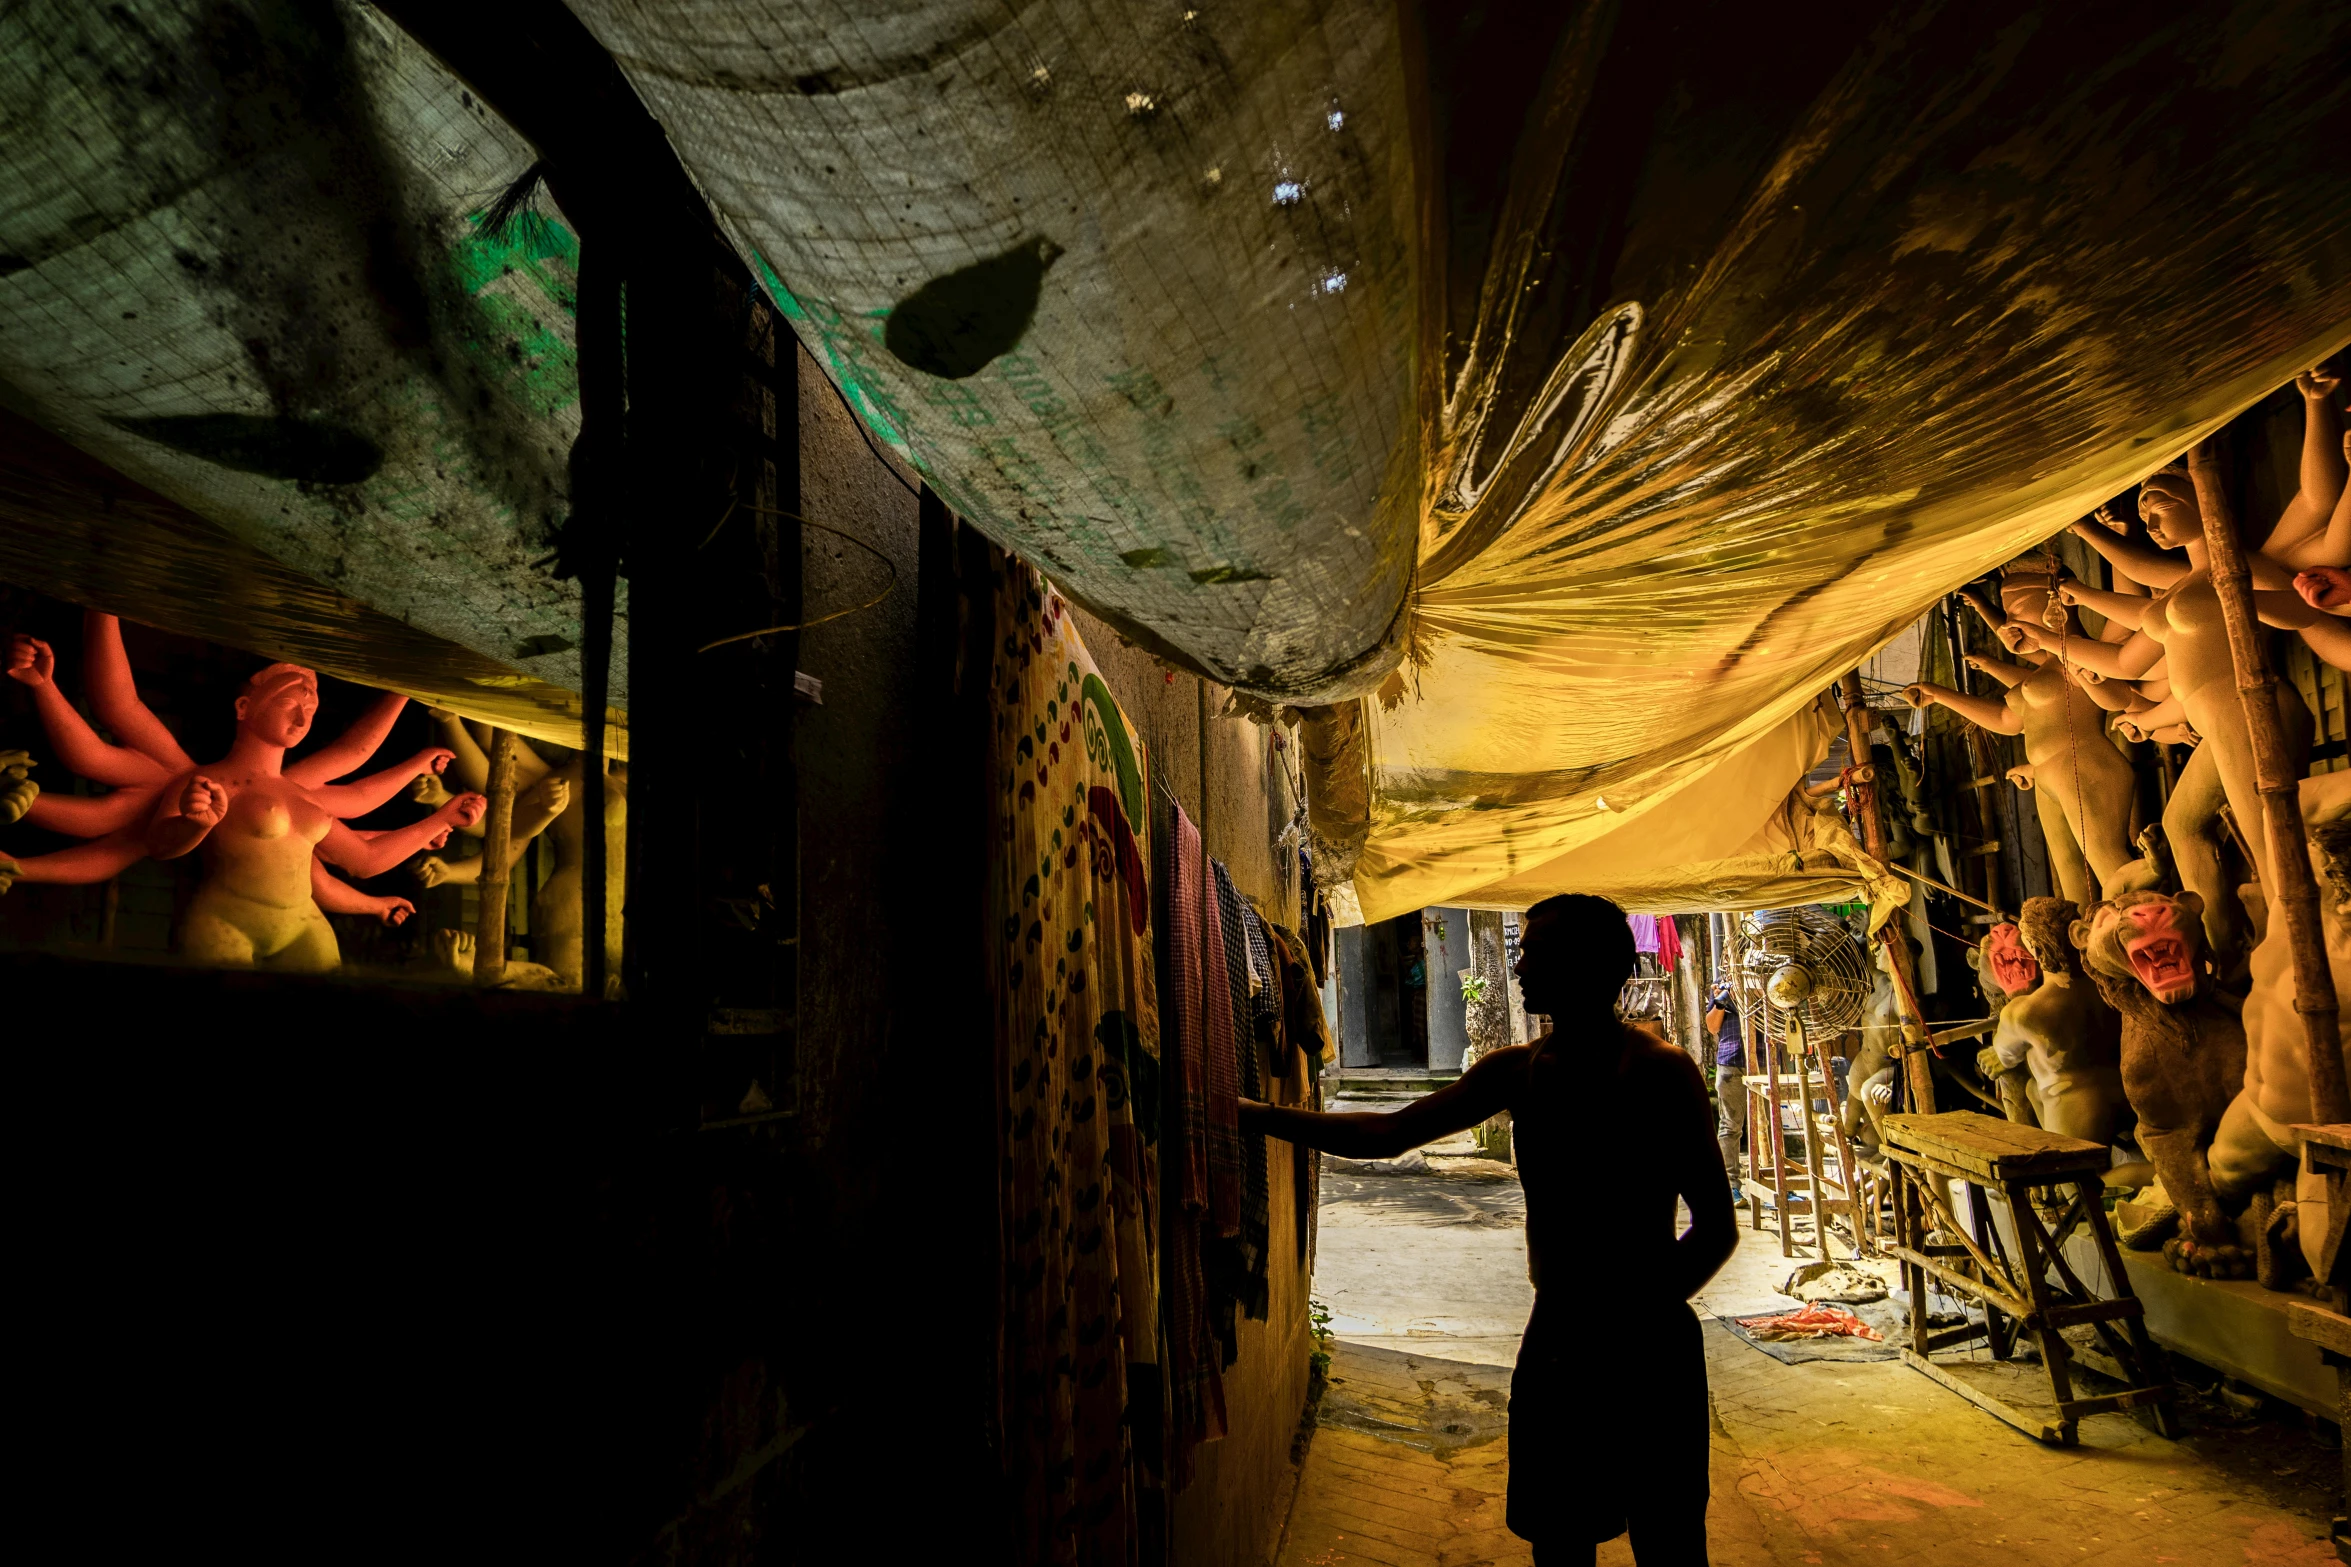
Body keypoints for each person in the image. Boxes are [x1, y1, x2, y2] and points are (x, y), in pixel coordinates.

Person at [1240, 893, 1737, 1565]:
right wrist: (1257, 1114)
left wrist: (1629, 1317)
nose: (1520, 961)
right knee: (1560, 1538)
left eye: (1535, 950)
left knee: (1668, 1540)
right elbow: (1387, 1132)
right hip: (1562, 1336)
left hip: (1645, 1346)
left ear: (1587, 965)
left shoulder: (1657, 1071)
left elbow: (1716, 1226)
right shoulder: (1518, 1072)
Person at [1705, 985, 1746, 1192]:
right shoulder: (1722, 985)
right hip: (1731, 1060)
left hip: (1767, 1060)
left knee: (1767, 1125)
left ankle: (1774, 1184)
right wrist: (1721, 1001)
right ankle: (1730, 1186)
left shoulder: (1769, 974)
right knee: (1730, 1126)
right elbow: (1712, 1027)